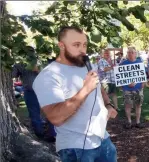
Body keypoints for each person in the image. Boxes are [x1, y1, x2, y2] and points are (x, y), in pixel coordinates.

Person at [32, 26, 118, 162]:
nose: (82, 50)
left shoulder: (86, 65)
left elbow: (99, 88)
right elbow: (56, 117)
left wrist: (108, 105)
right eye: (76, 45)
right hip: (76, 147)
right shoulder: (48, 76)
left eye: (84, 45)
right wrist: (85, 89)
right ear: (61, 46)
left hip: (103, 138)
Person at [12, 46, 56, 141]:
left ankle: (42, 134)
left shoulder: (20, 63)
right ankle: (50, 134)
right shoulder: (43, 60)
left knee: (35, 113)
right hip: (43, 90)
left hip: (33, 90)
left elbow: (13, 75)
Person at [120, 47, 145, 129]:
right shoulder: (123, 64)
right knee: (128, 105)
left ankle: (138, 122)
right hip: (127, 89)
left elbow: (143, 75)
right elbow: (120, 77)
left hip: (138, 88)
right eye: (129, 52)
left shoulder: (139, 63)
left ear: (135, 54)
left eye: (132, 52)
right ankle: (129, 122)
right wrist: (127, 83)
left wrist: (142, 83)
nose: (130, 54)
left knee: (138, 105)